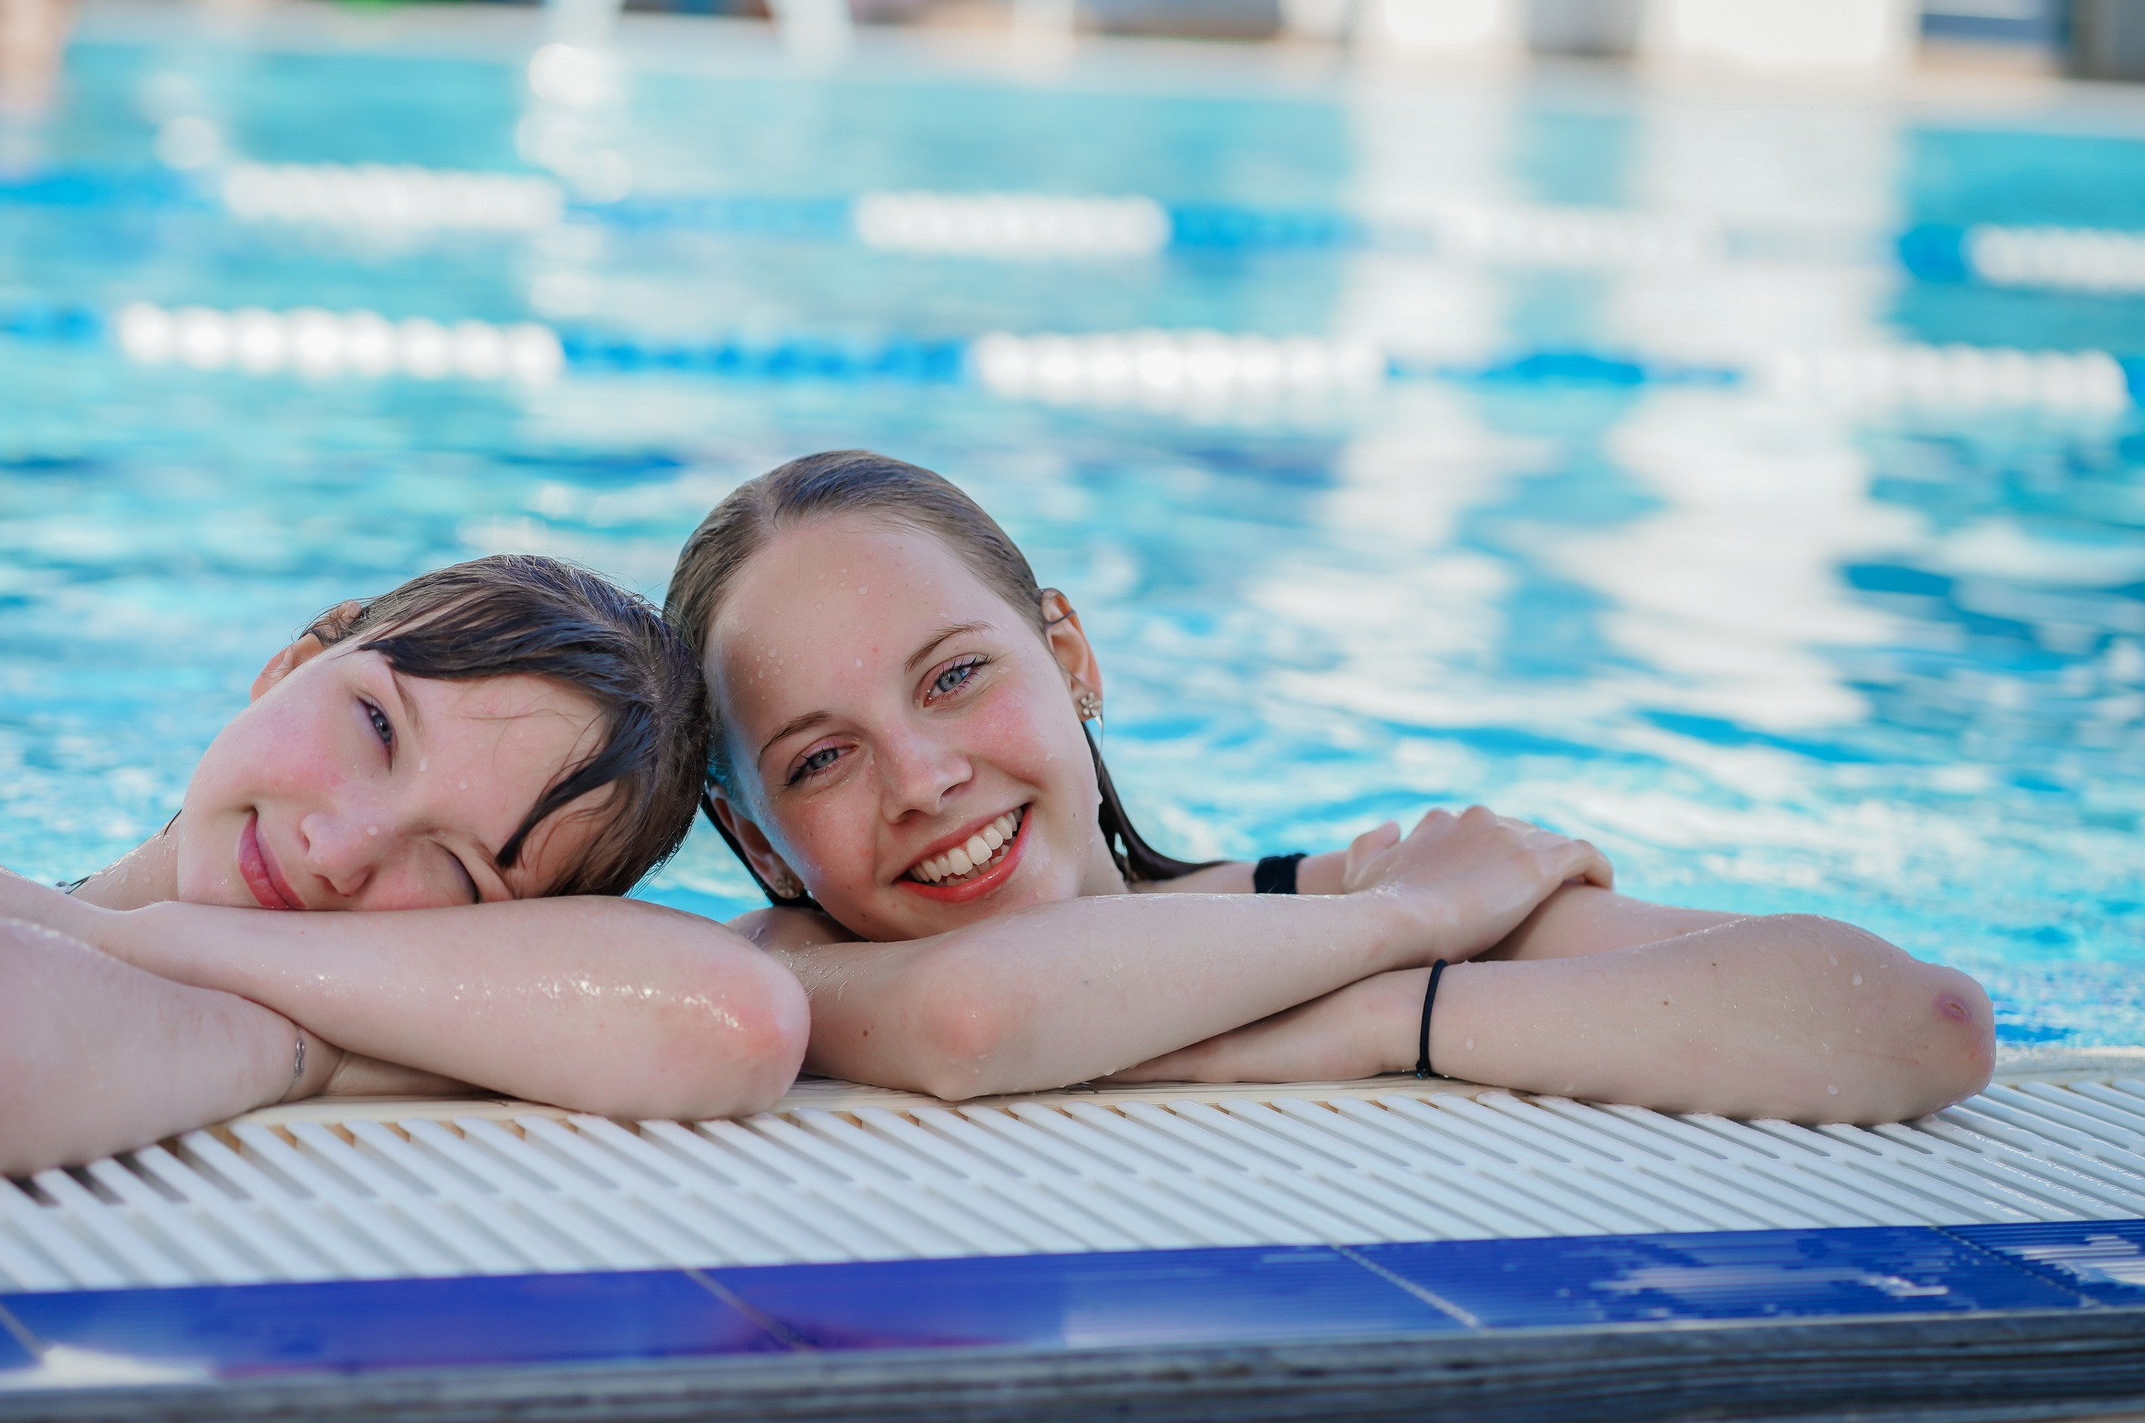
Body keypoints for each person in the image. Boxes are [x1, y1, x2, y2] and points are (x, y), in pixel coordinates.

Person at [665, 449, 1994, 1123]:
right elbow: (969, 1021)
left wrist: (1380, 1020)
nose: (925, 776)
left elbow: (1918, 1020)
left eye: (954, 677)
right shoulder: (774, 983)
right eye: (822, 759)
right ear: (755, 839)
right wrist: (1395, 942)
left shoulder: (1323, 907)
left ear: (1070, 656)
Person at [0, 556, 808, 1179]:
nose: (339, 851)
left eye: (462, 875)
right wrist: (326, 1047)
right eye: (375, 725)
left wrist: (134, 945)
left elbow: (735, 1022)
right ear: (293, 659)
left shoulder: (100, 933)